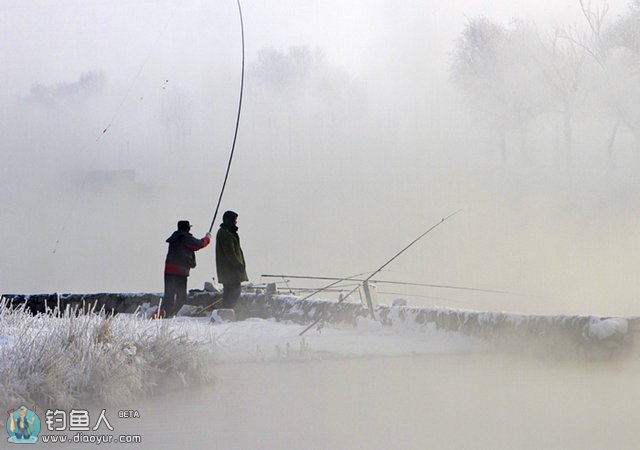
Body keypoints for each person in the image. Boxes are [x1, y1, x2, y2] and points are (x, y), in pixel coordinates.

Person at [164, 220, 211, 317]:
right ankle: (178, 315)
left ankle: (166, 314)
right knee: (181, 296)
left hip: (169, 270)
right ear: (187, 228)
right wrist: (207, 238)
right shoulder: (184, 237)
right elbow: (199, 244)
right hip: (179, 271)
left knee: (169, 295)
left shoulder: (175, 237)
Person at [215, 211, 248, 309]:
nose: (236, 222)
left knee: (230, 293)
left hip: (229, 271)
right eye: (234, 220)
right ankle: (227, 312)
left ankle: (227, 313)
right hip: (230, 271)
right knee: (233, 293)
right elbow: (230, 253)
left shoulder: (227, 232)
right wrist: (238, 265)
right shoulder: (225, 234)